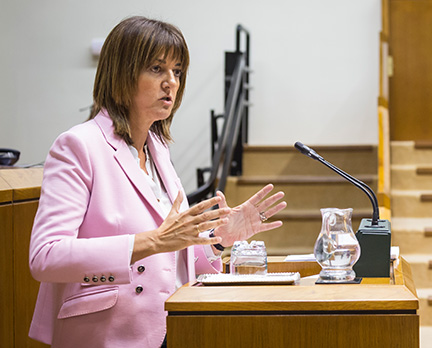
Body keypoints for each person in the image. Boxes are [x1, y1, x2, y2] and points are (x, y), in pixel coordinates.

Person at [28, 16, 287, 348]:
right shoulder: (78, 145)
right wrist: (152, 241)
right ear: (122, 73)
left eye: (177, 72)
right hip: (105, 334)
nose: (172, 82)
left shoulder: (158, 149)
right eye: (157, 68)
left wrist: (217, 240)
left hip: (168, 328)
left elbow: (170, 253)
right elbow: (46, 257)